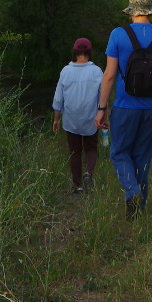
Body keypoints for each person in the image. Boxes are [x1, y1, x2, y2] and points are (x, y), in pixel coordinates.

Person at [94, 0, 152, 218]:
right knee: (142, 156)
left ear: (131, 12)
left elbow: (109, 75)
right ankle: (139, 210)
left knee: (119, 153)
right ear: (149, 12)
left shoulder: (118, 35)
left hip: (125, 106)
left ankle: (132, 192)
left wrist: (101, 108)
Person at [51, 38, 104, 193]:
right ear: (89, 52)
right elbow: (102, 98)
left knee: (75, 151)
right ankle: (88, 172)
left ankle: (77, 186)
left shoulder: (66, 71)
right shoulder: (96, 71)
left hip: (71, 119)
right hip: (90, 117)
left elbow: (58, 98)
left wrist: (56, 119)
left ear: (75, 52)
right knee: (91, 147)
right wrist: (103, 116)